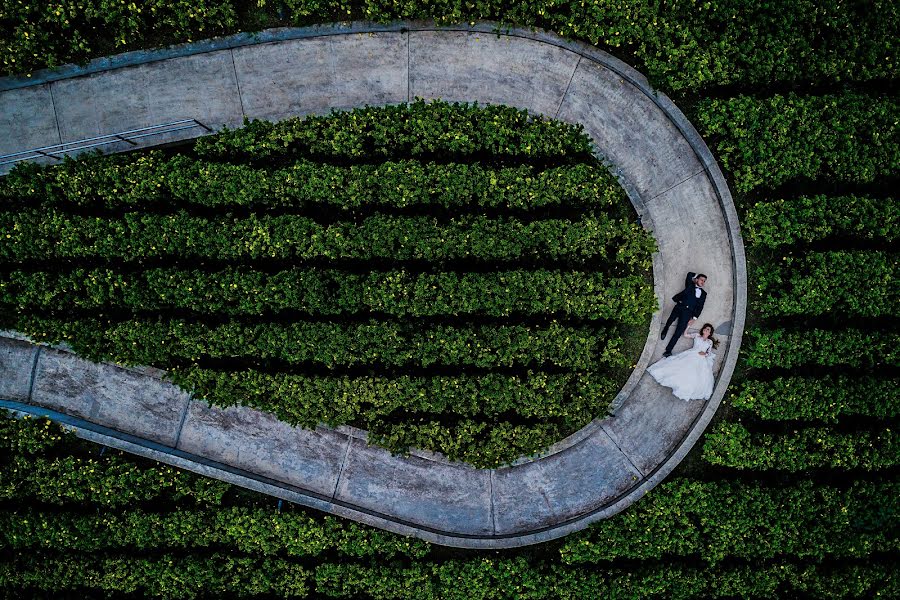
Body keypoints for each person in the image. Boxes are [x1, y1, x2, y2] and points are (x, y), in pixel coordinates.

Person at [648, 323, 718, 400]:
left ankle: (685, 386)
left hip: (701, 358)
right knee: (680, 365)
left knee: (695, 373)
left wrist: (704, 353)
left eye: (708, 329)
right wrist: (688, 326)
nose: (705, 329)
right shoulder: (697, 335)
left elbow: (709, 353)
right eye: (705, 328)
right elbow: (685, 335)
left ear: (709, 333)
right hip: (692, 353)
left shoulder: (710, 342)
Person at [660, 272, 707, 357]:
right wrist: (696, 276)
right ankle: (665, 328)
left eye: (704, 281)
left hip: (688, 313)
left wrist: (694, 318)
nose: (703, 282)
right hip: (680, 306)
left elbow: (700, 307)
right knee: (671, 319)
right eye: (701, 280)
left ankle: (668, 350)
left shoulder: (704, 294)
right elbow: (689, 274)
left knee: (679, 331)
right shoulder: (690, 284)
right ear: (696, 280)